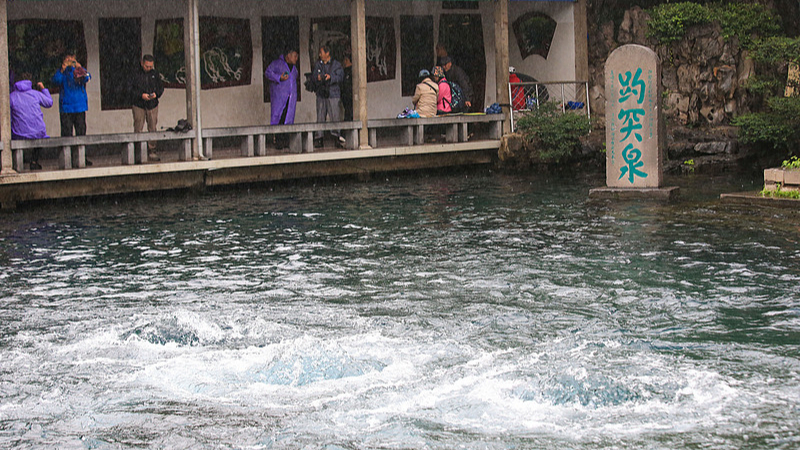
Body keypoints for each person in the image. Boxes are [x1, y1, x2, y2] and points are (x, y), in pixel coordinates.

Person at [10, 75, 53, 171]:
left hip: (19, 133)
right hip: (38, 132)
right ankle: (34, 161)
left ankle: (16, 162)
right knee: (41, 135)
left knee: (11, 134)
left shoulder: (12, 96)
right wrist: (43, 88)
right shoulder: (35, 94)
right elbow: (49, 103)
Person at [129, 54, 164, 161]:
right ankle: (138, 151)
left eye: (150, 66)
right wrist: (141, 95)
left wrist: (156, 94)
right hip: (138, 104)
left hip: (152, 104)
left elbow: (161, 87)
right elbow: (130, 89)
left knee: (152, 127)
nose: (148, 68)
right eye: (146, 66)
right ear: (142, 63)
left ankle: (152, 150)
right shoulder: (135, 74)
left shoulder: (155, 74)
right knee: (138, 127)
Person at [265, 48, 299, 150]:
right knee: (279, 118)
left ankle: (286, 141)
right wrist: (279, 77)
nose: (296, 58)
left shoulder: (294, 69)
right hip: (279, 98)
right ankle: (278, 141)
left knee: (288, 119)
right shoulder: (276, 64)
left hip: (290, 98)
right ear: (288, 56)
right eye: (295, 56)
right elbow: (268, 73)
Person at [51, 51, 91, 138]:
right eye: (67, 58)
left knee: (81, 133)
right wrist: (62, 70)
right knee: (66, 135)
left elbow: (87, 77)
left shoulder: (78, 70)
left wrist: (79, 68)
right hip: (66, 107)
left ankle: (81, 147)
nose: (69, 60)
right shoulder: (61, 72)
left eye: (72, 58)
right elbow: (55, 81)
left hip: (79, 107)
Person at [312, 45, 344, 148]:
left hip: (333, 94)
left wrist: (331, 77)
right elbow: (313, 77)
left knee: (335, 116)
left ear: (327, 53)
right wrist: (317, 78)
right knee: (320, 116)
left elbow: (340, 77)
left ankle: (336, 137)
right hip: (321, 94)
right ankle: (319, 138)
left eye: (321, 52)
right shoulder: (318, 65)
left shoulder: (336, 65)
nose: (319, 55)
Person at [341, 54, 353, 122]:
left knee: (349, 111)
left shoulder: (351, 71)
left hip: (349, 94)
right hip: (345, 95)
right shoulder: (344, 71)